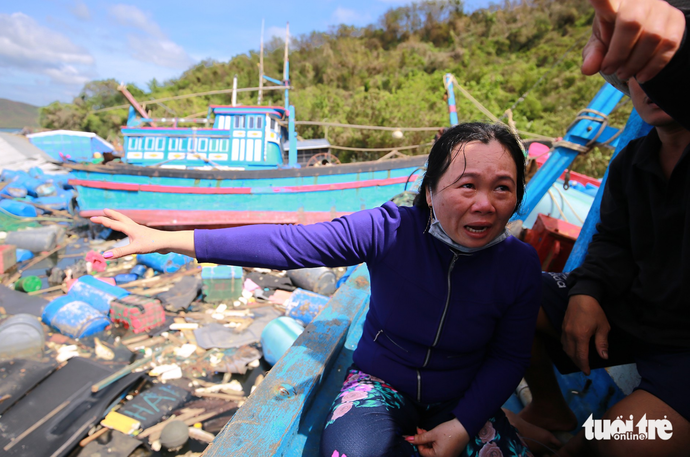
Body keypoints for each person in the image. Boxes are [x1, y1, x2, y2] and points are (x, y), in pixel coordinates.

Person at [92, 121, 542, 457]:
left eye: (502, 188)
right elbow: (289, 243)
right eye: (467, 185)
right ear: (430, 191)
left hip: (461, 395)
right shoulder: (390, 230)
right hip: (380, 385)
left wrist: (464, 424)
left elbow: (509, 357)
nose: (485, 204)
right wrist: (168, 239)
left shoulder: (519, 265)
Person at [510, 0, 690, 456]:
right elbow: (611, 242)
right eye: (636, 69)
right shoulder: (633, 161)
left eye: (658, 65)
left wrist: (675, 50)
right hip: (635, 317)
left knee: (601, 444)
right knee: (503, 284)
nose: (646, 81)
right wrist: (587, 292)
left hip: (684, 357)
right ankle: (550, 405)